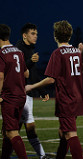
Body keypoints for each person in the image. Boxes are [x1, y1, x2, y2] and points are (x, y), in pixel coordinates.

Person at [25, 20, 83, 159]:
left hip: (67, 99)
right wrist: (80, 52)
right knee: (63, 133)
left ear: (55, 36)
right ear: (69, 35)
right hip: (77, 98)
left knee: (70, 134)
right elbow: (80, 69)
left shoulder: (58, 53)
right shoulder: (76, 52)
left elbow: (51, 78)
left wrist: (31, 86)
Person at [16, 23, 49, 159]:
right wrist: (29, 61)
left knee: (14, 130)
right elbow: (18, 72)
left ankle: (42, 155)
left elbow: (33, 73)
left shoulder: (29, 50)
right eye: (32, 34)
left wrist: (41, 90)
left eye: (36, 33)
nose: (36, 36)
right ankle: (42, 156)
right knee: (27, 128)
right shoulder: (18, 50)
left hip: (27, 94)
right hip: (19, 94)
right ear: (25, 35)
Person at [0, 24, 29, 159]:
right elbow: (26, 73)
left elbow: (0, 76)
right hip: (20, 96)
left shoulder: (1, 53)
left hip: (9, 97)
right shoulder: (18, 52)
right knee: (7, 131)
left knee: (12, 132)